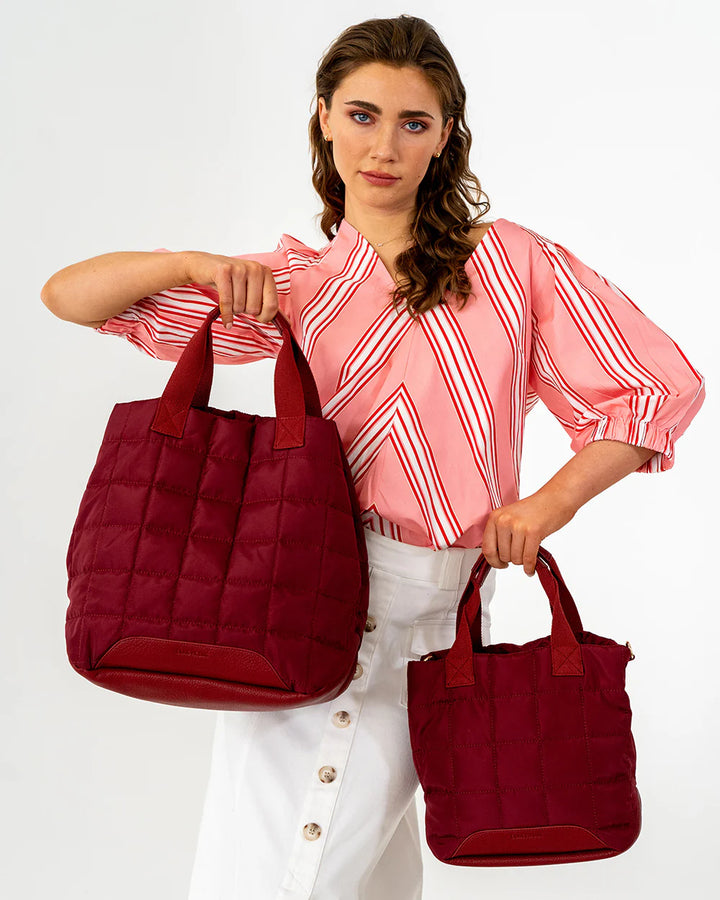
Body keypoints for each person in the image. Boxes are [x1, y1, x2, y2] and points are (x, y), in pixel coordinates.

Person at [41, 14, 705, 900]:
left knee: (285, 877)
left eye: (413, 123)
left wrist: (545, 507)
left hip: (431, 604)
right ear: (322, 118)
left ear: (446, 139)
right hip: (297, 602)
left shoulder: (510, 266)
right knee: (317, 878)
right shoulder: (295, 280)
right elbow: (70, 296)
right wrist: (192, 261)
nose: (383, 146)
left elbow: (657, 389)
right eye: (361, 115)